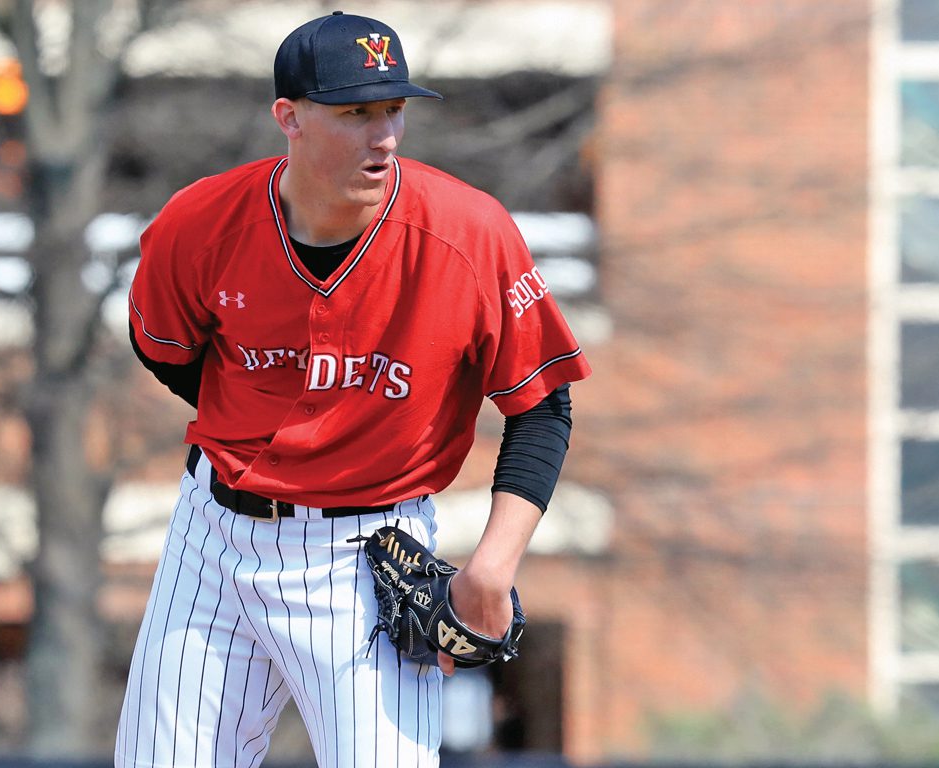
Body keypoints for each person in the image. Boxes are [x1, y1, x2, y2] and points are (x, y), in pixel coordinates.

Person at [114, 11, 590, 768]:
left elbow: (543, 406)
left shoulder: (469, 234)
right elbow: (166, 351)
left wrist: (493, 565)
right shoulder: (199, 223)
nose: (385, 135)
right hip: (214, 539)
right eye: (355, 112)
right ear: (289, 118)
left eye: (394, 109)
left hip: (368, 552)